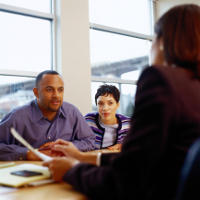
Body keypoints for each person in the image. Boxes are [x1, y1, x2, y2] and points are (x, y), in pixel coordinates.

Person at [43, 4, 200, 200]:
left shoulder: (161, 80)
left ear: (162, 43)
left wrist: (72, 170)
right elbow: (146, 159)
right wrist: (84, 157)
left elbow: (124, 181)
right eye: (100, 103)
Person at [0, 70, 95, 161]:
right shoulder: (17, 117)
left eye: (60, 90)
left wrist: (66, 147)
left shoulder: (72, 112)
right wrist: (28, 153)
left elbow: (90, 140)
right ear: (36, 92)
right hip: (27, 173)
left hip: (63, 170)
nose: (56, 95)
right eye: (49, 89)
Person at [84, 84, 130, 150]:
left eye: (110, 103)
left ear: (117, 105)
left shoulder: (128, 124)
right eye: (100, 103)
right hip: (93, 158)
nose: (105, 108)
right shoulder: (88, 120)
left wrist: (123, 145)